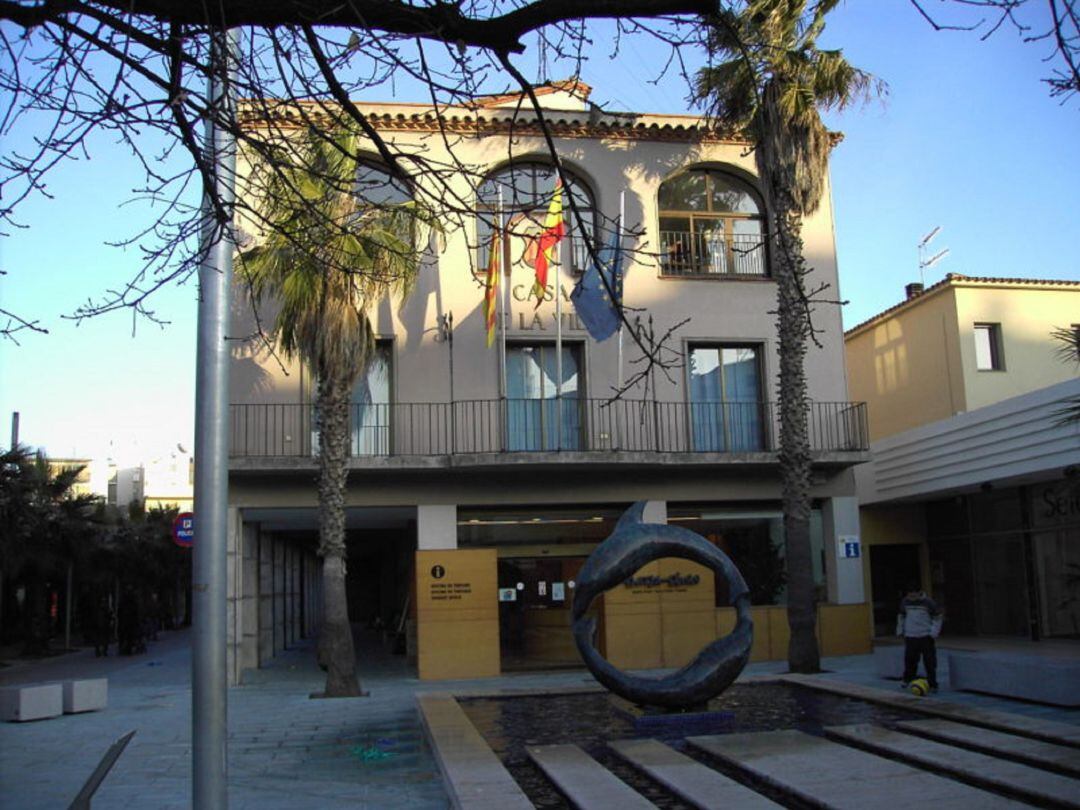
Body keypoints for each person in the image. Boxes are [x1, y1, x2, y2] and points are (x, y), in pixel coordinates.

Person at [897, 582, 943, 691]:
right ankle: (907, 679)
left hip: (925, 636)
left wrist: (933, 632)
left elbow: (937, 617)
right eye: (910, 595)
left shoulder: (928, 603)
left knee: (929, 661)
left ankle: (932, 683)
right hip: (910, 636)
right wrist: (900, 630)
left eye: (914, 595)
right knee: (910, 660)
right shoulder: (905, 602)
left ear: (919, 593)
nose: (912, 597)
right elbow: (901, 616)